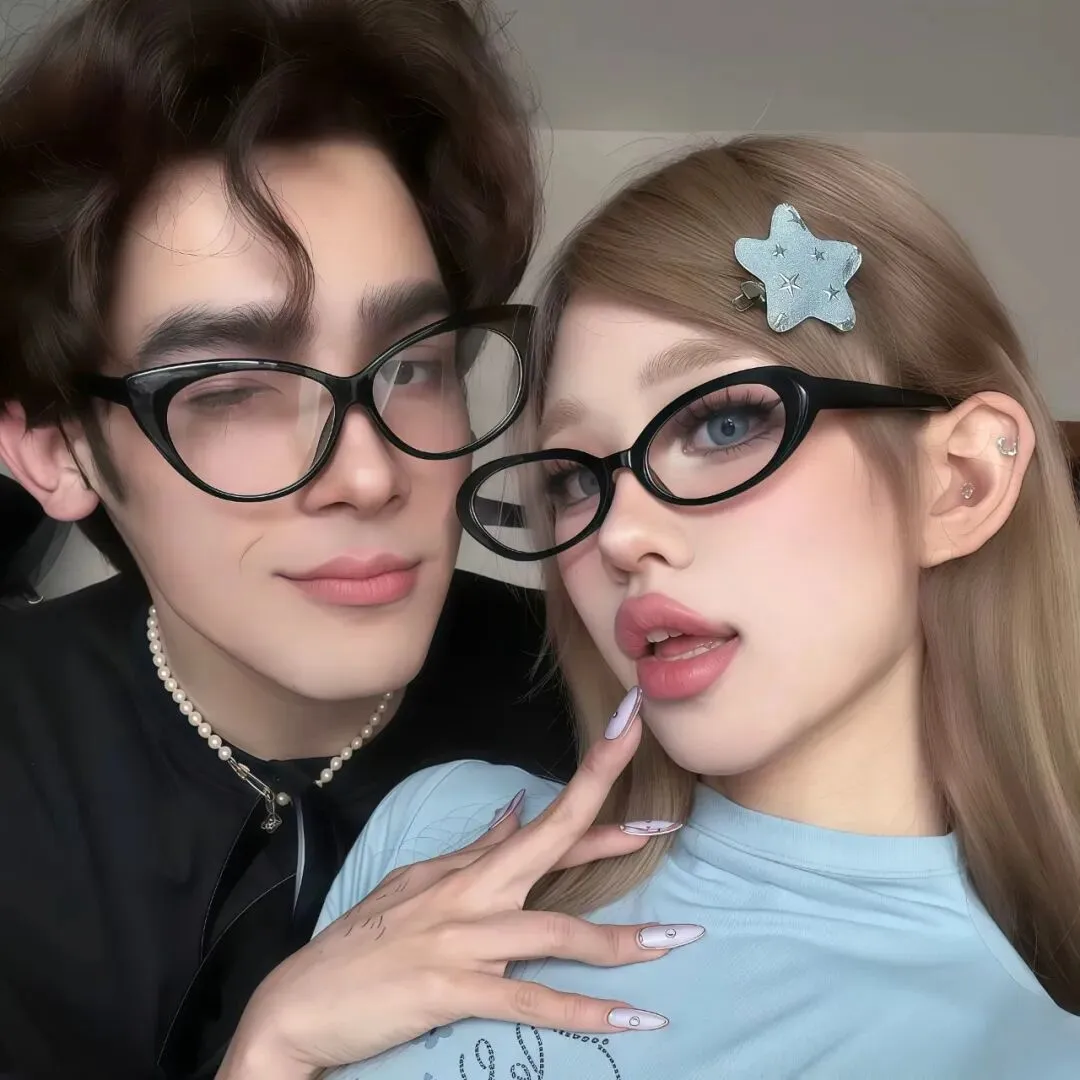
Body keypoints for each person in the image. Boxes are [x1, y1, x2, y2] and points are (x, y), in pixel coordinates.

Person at [310, 136, 1080, 1078]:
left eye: (725, 423)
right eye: (575, 477)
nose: (619, 535)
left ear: (959, 482)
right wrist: (272, 1042)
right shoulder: (442, 831)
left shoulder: (1013, 1055)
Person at [0, 1, 596, 1076]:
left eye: (414, 364)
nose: (370, 474)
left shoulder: (599, 694)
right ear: (57, 450)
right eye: (233, 389)